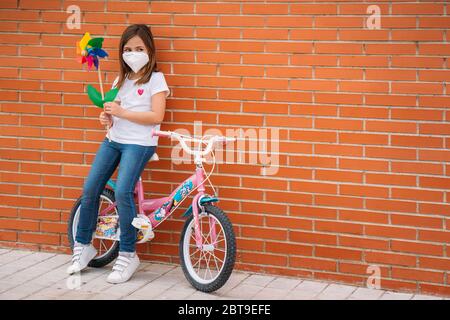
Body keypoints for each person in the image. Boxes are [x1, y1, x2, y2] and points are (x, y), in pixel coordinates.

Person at [66, 24, 170, 284]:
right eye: (127, 49)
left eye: (139, 48)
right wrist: (107, 118)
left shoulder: (155, 79)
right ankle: (84, 245)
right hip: (113, 140)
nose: (132, 53)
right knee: (90, 189)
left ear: (149, 50)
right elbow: (114, 116)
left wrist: (122, 113)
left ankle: (128, 254)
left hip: (140, 143)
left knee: (124, 190)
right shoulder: (118, 81)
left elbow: (157, 116)